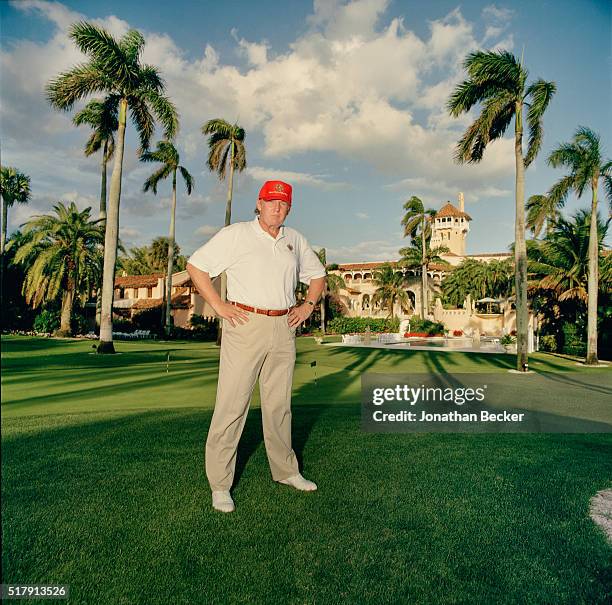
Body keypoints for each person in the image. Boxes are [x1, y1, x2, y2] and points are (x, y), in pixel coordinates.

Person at [186, 180, 326, 513]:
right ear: (259, 204)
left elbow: (318, 276)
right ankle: (220, 485)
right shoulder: (236, 234)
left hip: (283, 326)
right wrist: (219, 305)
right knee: (232, 406)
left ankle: (286, 471)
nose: (277, 208)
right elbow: (196, 266)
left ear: (289, 208)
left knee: (279, 406)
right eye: (271, 202)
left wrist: (307, 305)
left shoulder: (295, 240)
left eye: (283, 204)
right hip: (244, 324)